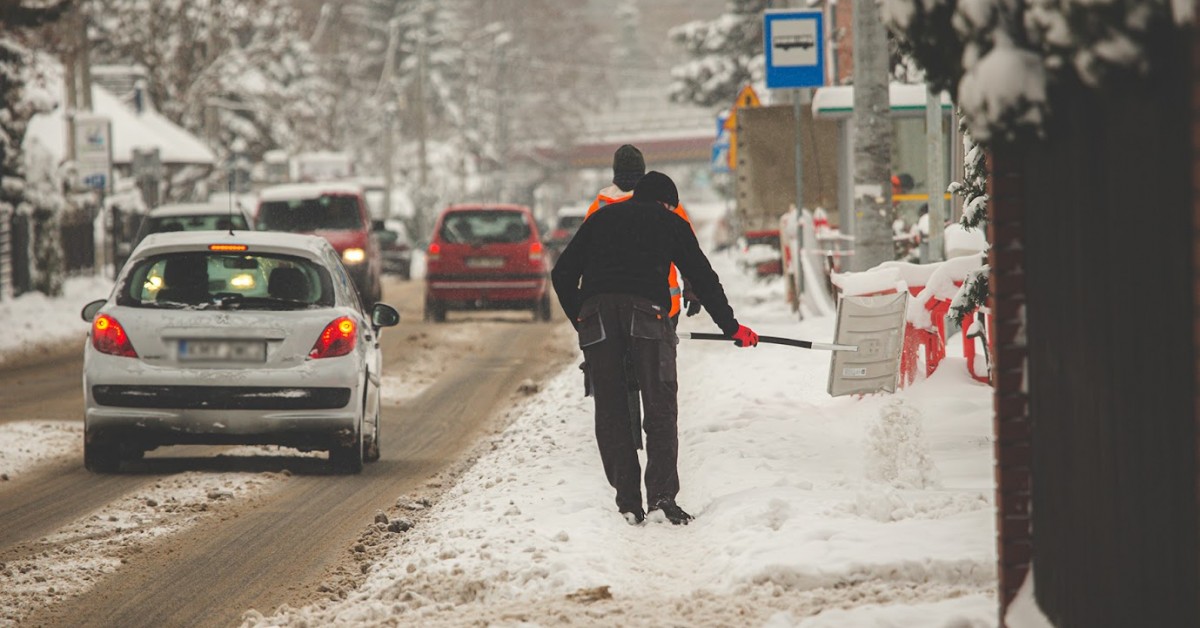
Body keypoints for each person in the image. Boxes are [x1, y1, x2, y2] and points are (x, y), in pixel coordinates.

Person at [551, 171, 759, 526]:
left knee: (613, 410)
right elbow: (703, 277)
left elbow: (561, 274)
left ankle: (628, 504)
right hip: (648, 315)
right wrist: (732, 328)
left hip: (598, 317)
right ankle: (662, 499)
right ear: (665, 202)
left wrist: (582, 319)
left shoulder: (600, 219)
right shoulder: (669, 221)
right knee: (659, 406)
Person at [585, 144, 700, 325]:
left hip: (610, 309)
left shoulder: (598, 208)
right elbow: (688, 252)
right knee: (654, 353)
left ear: (615, 173)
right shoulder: (666, 203)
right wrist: (692, 289)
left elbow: (586, 257)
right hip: (661, 307)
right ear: (642, 172)